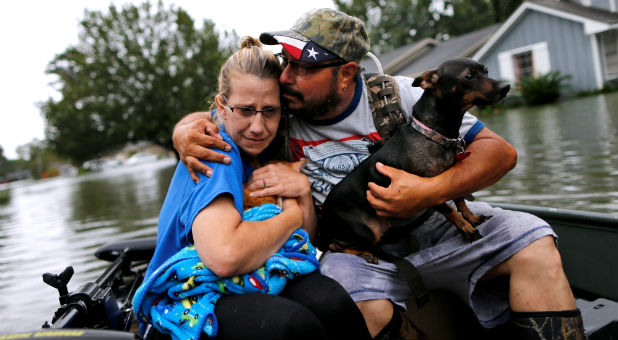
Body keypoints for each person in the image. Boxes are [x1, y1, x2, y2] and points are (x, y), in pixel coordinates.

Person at [171, 9, 584, 340]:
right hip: (356, 249)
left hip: (440, 229)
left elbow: (499, 153)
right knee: (337, 293)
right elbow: (219, 115)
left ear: (347, 73)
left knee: (534, 240)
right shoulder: (277, 108)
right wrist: (184, 133)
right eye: (285, 62)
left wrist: (427, 191)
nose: (286, 77)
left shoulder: (403, 95)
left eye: (303, 67)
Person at [135, 36, 371, 340]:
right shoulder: (216, 150)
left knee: (333, 303)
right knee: (293, 326)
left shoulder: (269, 148)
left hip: (253, 271)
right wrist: (291, 217)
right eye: (245, 110)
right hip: (182, 297)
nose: (258, 126)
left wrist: (301, 192)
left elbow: (303, 243)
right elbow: (224, 256)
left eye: (269, 111)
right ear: (222, 107)